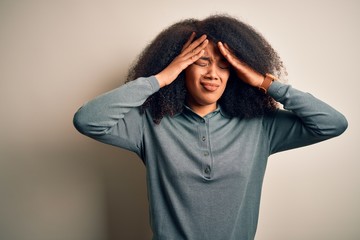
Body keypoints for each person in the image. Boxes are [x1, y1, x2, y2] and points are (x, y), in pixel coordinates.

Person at [73, 15, 348, 240]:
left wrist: (266, 82)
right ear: (183, 68)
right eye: (201, 62)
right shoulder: (149, 125)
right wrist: (160, 78)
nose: (212, 74)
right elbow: (87, 120)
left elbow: (332, 124)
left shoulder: (260, 126)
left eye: (224, 65)